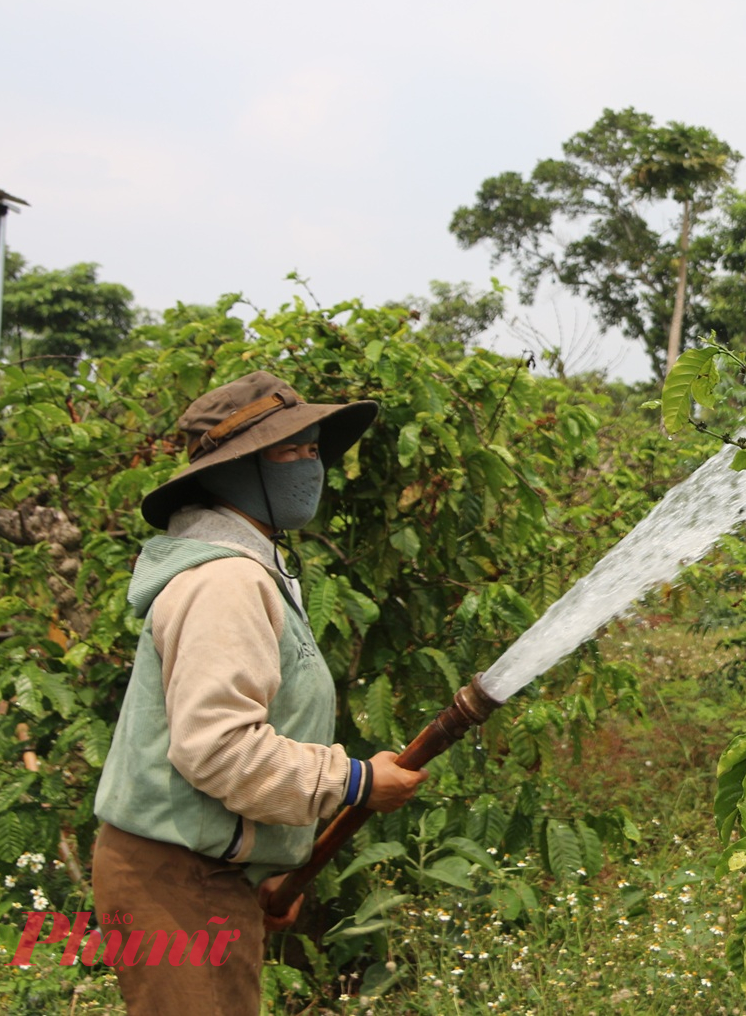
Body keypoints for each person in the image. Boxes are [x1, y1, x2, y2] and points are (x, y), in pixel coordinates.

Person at [92, 370, 428, 1013]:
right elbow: (218, 747)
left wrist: (266, 862)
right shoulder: (224, 582)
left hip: (206, 871)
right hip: (174, 881)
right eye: (286, 450)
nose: (309, 465)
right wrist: (353, 782)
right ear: (235, 470)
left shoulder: (253, 570)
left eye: (311, 449)